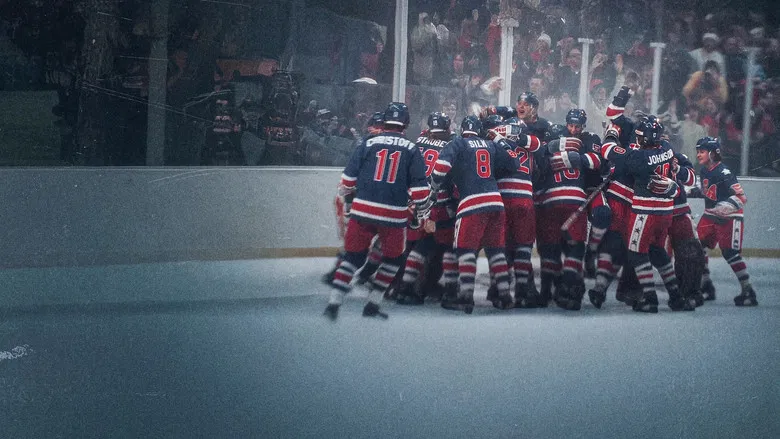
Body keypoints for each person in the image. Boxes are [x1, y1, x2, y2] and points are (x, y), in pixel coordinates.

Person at [324, 102, 430, 320]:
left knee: (352, 257)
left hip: (362, 211)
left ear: (384, 121)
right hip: (393, 215)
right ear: (406, 123)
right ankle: (373, 304)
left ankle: (334, 303)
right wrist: (420, 213)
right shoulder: (411, 149)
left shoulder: (367, 143)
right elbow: (420, 191)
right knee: (393, 260)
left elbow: (347, 181)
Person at [600, 118, 694, 312]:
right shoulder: (667, 148)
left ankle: (650, 298)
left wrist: (611, 133)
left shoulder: (639, 158)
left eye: (641, 136)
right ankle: (676, 297)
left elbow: (608, 150)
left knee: (636, 253)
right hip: (665, 212)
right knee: (658, 252)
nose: (638, 138)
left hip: (645, 211)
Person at [431, 115, 519, 313]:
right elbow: (514, 164)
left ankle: (465, 297)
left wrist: (433, 187)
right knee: (496, 251)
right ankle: (505, 296)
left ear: (463, 130)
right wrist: (499, 139)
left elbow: (441, 169)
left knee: (465, 250)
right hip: (496, 203)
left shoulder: (458, 143)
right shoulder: (490, 144)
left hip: (471, 203)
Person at [695, 137, 758, 306]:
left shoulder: (724, 172)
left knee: (730, 253)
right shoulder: (704, 171)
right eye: (698, 151)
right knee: (696, 247)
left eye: (702, 151)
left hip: (730, 217)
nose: (698, 154)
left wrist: (725, 207)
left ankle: (748, 290)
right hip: (710, 215)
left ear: (712, 153)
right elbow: (707, 191)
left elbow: (741, 197)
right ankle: (705, 284)